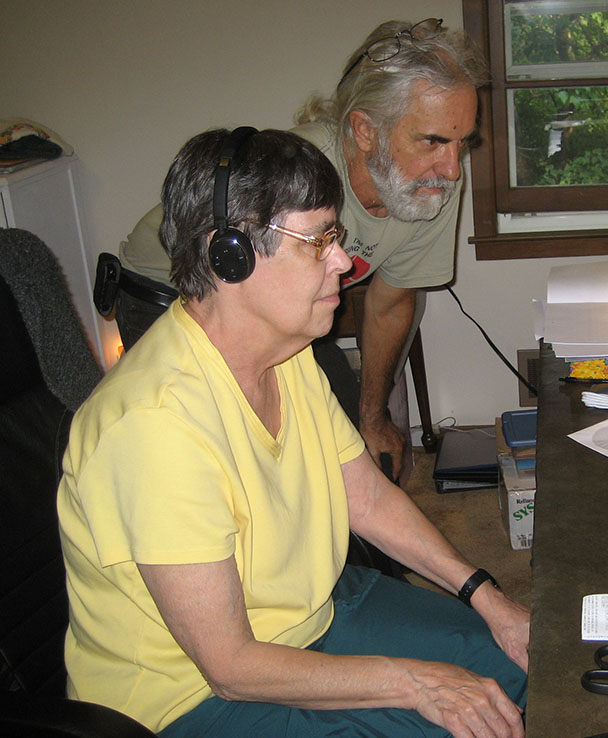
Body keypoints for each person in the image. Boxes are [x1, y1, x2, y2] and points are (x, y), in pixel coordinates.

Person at [58, 127, 528, 738]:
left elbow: (365, 496)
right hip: (191, 698)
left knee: (510, 668)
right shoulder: (152, 427)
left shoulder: (287, 352)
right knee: (444, 725)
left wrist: (489, 597)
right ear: (230, 256)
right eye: (318, 242)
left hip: (311, 612)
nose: (344, 261)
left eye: (336, 236)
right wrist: (416, 682)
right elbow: (229, 666)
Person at [117, 17, 487, 481]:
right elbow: (246, 295)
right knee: (239, 457)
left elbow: (391, 303)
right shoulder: (304, 175)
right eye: (433, 141)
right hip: (176, 284)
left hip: (274, 298)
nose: (452, 169)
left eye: (462, 142)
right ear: (365, 131)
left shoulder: (436, 184)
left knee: (342, 431)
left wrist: (372, 419)